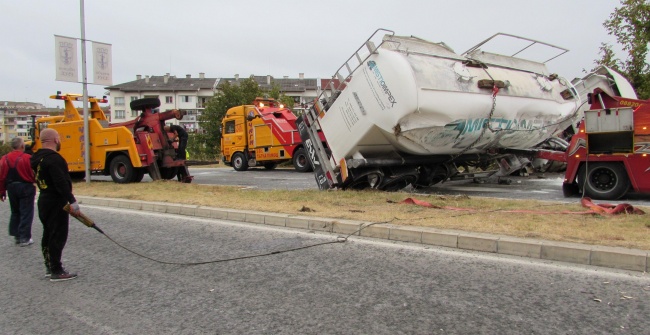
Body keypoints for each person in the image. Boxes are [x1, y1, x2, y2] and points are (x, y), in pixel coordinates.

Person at [30, 128, 81, 282]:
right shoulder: (55, 159)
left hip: (43, 199)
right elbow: (61, 183)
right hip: (56, 201)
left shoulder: (36, 158)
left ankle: (49, 265)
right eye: (59, 138)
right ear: (55, 140)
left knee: (48, 233)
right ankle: (56, 270)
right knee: (58, 234)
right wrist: (72, 201)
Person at [0, 137, 36, 246]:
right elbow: (33, 174)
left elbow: (1, 177)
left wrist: (2, 191)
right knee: (26, 212)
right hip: (25, 186)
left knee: (15, 211)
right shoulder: (27, 158)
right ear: (22, 146)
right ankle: (25, 237)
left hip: (11, 187)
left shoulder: (4, 159)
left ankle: (17, 235)